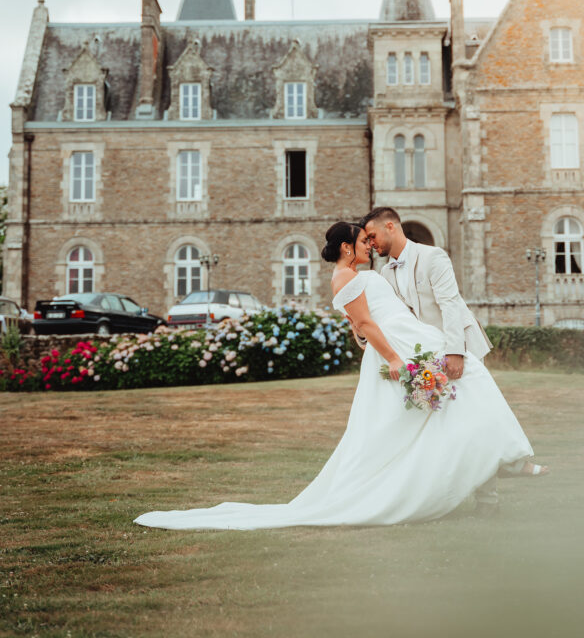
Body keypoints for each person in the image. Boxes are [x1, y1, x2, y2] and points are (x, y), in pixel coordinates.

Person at [134, 222, 539, 532]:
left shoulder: (354, 276)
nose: (370, 246)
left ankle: (498, 459)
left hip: (411, 338)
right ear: (348, 247)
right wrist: (396, 359)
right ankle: (502, 460)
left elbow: (360, 326)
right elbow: (365, 324)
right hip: (398, 346)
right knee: (453, 394)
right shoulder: (345, 277)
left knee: (462, 388)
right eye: (364, 241)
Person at [362, 207, 548, 509]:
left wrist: (454, 352)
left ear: (391, 227)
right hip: (424, 357)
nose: (370, 244)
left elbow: (450, 305)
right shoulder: (385, 273)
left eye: (372, 236)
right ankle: (456, 491)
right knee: (450, 427)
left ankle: (489, 500)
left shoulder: (433, 257)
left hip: (458, 348)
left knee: (476, 419)